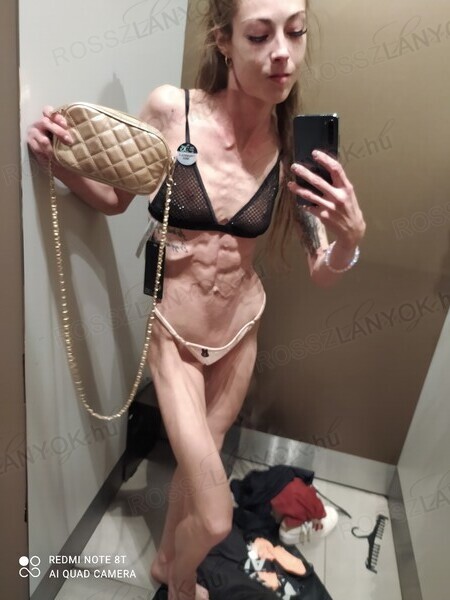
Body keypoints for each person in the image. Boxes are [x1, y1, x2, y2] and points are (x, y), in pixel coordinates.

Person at [27, 0, 366, 598]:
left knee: (197, 465)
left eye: (295, 32)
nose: (282, 53)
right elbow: (116, 200)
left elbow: (322, 270)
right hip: (176, 339)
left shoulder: (296, 146)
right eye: (259, 35)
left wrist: (350, 240)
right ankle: (183, 587)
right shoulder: (170, 111)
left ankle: (166, 563)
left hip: (240, 335)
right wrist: (58, 163)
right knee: (215, 517)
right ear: (224, 41)